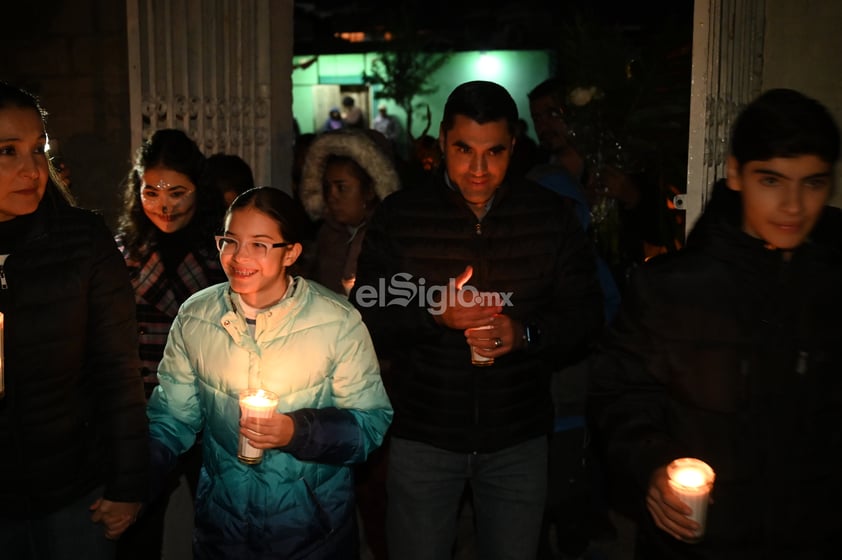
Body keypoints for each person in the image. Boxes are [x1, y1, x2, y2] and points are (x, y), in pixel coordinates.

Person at [352, 80, 603, 560]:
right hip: (423, 433)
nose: (479, 169)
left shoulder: (549, 216)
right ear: (443, 140)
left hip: (518, 438)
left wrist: (524, 333)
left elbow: (587, 314)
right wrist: (434, 315)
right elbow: (368, 311)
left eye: (495, 152)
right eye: (464, 149)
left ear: (514, 147)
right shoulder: (402, 216)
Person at [588, 88, 842, 559]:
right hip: (697, 543)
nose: (792, 205)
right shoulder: (673, 287)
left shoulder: (830, 285)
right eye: (772, 180)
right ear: (735, 174)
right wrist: (653, 465)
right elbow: (618, 392)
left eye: (812, 183)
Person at [146, 186, 393, 559]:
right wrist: (133, 481)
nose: (239, 257)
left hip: (311, 535)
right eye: (230, 241)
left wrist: (296, 431)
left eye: (260, 244)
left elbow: (370, 425)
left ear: (291, 252)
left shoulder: (336, 322)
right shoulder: (197, 316)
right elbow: (171, 418)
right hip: (224, 531)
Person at [0, 81, 147, 558]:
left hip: (74, 491)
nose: (30, 169)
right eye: (7, 152)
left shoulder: (83, 242)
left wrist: (127, 483)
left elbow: (118, 371)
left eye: (37, 150)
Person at [114, 128, 227, 560]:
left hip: (207, 409)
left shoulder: (222, 251)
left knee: (220, 524)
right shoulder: (122, 251)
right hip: (145, 407)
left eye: (177, 192)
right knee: (137, 529)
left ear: (198, 189)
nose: (164, 204)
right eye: (151, 192)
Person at [299, 128, 400, 296]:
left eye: (342, 187)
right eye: (327, 187)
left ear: (369, 191)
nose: (332, 196)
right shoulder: (327, 236)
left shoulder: (387, 237)